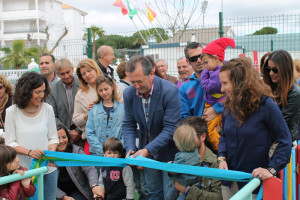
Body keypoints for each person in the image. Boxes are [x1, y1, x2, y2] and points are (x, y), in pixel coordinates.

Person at [218, 57, 292, 199]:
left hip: (254, 185)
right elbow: (224, 136)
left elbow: (284, 139)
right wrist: (222, 158)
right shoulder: (229, 105)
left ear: (239, 82)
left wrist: (271, 169)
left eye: (225, 83)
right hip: (229, 182)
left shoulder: (265, 105)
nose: (221, 89)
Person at [123, 55, 181, 199]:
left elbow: (170, 128)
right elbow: (128, 124)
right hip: (147, 155)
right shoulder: (129, 94)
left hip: (169, 153)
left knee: (169, 195)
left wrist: (147, 150)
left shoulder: (170, 91)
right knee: (153, 194)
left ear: (152, 73)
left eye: (139, 81)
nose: (135, 86)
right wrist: (130, 148)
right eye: (132, 82)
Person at [5, 71, 59, 200]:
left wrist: (51, 152)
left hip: (48, 169)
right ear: (26, 91)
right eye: (37, 92)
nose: (41, 95)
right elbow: (10, 142)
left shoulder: (48, 109)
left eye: (44, 91)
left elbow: (53, 137)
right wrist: (29, 152)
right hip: (24, 173)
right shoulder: (12, 112)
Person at [200, 37, 235, 151]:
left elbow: (208, 87)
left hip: (213, 105)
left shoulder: (217, 73)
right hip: (217, 105)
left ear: (216, 58)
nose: (204, 66)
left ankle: (219, 148)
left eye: (206, 63)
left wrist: (204, 73)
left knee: (208, 130)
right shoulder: (220, 69)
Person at [174, 117, 222, 200]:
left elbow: (218, 197)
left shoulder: (215, 163)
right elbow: (175, 187)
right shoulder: (182, 157)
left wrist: (188, 190)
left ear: (203, 136)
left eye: (190, 135)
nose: (185, 140)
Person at [56, 125, 103, 200]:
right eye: (57, 138)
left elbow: (89, 168)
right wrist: (62, 197)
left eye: (64, 137)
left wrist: (94, 185)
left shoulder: (76, 151)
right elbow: (47, 183)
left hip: (78, 191)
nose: (61, 141)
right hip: (56, 194)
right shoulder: (47, 157)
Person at [262, 50, 300, 142]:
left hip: (284, 143)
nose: (271, 73)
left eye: (275, 70)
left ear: (285, 69)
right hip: (271, 139)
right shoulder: (272, 87)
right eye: (268, 69)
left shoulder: (294, 93)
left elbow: (281, 122)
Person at [179, 42, 223, 121]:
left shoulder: (223, 76)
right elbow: (184, 116)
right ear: (188, 62)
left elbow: (234, 96)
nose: (199, 60)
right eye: (194, 58)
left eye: (201, 56)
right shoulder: (184, 88)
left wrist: (216, 108)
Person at [47, 58, 83, 147]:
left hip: (82, 133)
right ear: (57, 74)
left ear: (72, 69)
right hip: (62, 137)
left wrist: (78, 130)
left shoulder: (83, 85)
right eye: (62, 74)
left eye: (68, 72)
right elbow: (51, 115)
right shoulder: (52, 90)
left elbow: (88, 110)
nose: (66, 76)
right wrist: (67, 132)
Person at [86, 75, 124, 156]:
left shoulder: (122, 109)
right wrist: (102, 152)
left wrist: (115, 151)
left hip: (116, 155)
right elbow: (90, 132)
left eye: (106, 89)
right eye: (100, 90)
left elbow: (125, 132)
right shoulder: (93, 109)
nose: (104, 93)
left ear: (112, 87)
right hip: (96, 154)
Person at [73, 58, 103, 154]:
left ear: (96, 69)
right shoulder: (80, 94)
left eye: (89, 70)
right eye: (83, 73)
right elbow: (76, 120)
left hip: (114, 139)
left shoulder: (113, 85)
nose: (87, 75)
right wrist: (88, 114)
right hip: (92, 141)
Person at [166, 125, 202, 200]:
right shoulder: (196, 152)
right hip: (194, 185)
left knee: (169, 197)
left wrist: (169, 165)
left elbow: (173, 171)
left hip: (183, 184)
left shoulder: (181, 157)